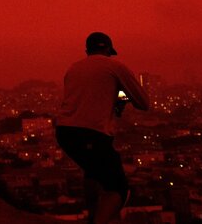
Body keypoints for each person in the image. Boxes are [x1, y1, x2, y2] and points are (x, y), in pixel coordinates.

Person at [55, 32, 149, 224]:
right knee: (118, 187)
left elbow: (85, 100)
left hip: (64, 131)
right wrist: (123, 95)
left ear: (87, 50)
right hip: (92, 133)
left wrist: (111, 98)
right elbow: (143, 103)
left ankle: (93, 216)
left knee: (93, 171)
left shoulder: (73, 69)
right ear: (107, 49)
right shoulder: (115, 66)